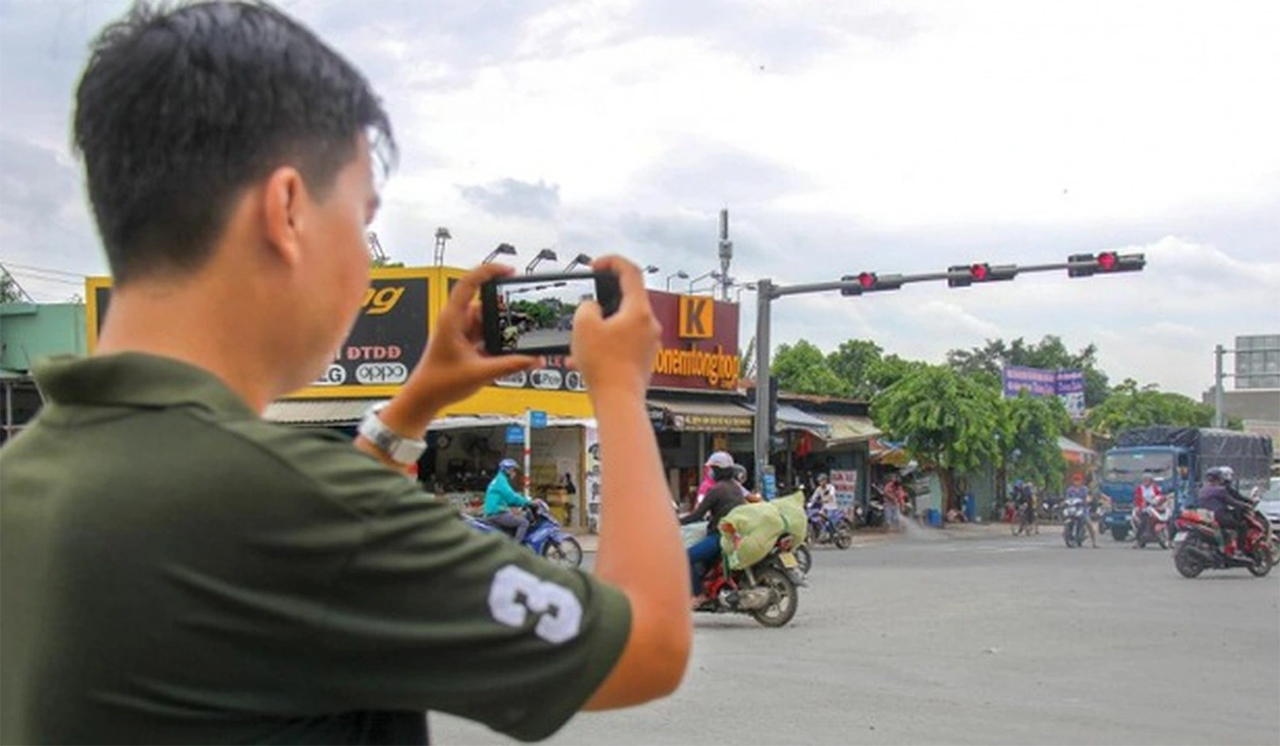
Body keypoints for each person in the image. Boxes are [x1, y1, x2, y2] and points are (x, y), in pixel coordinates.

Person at [0, 4, 691, 742]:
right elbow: (647, 643)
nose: (366, 259)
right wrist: (618, 390)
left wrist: (414, 405)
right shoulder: (293, 504)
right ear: (288, 210)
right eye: (363, 220)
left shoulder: (30, 473)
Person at [680, 458, 747, 607]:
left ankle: (698, 595)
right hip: (734, 534)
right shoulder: (735, 487)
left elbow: (697, 515)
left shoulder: (716, 490)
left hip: (720, 537)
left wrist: (676, 522)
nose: (710, 472)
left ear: (719, 470)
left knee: (686, 557)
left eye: (712, 469)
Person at [485, 458, 532, 543]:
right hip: (497, 513)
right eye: (513, 470)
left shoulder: (499, 480)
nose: (514, 473)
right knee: (523, 523)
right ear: (507, 470)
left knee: (516, 516)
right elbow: (511, 497)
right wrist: (527, 502)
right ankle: (515, 548)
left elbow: (509, 497)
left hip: (495, 511)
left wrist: (520, 500)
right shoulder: (501, 481)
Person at [1064, 474, 1097, 548]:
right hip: (1072, 509)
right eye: (1075, 480)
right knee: (1066, 520)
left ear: (1081, 481)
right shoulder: (1069, 490)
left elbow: (1089, 497)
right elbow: (1067, 499)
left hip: (1082, 509)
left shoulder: (1085, 489)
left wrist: (1088, 500)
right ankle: (1067, 534)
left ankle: (1094, 542)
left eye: (1078, 480)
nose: (1076, 482)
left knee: (1089, 524)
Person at [1131, 474, 1163, 545]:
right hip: (1143, 509)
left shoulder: (1154, 488)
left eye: (1148, 480)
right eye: (1145, 480)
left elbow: (1159, 496)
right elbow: (1137, 499)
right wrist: (1141, 505)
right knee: (1143, 521)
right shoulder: (1139, 489)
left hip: (1153, 508)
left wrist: (1159, 500)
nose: (1146, 482)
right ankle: (1137, 539)